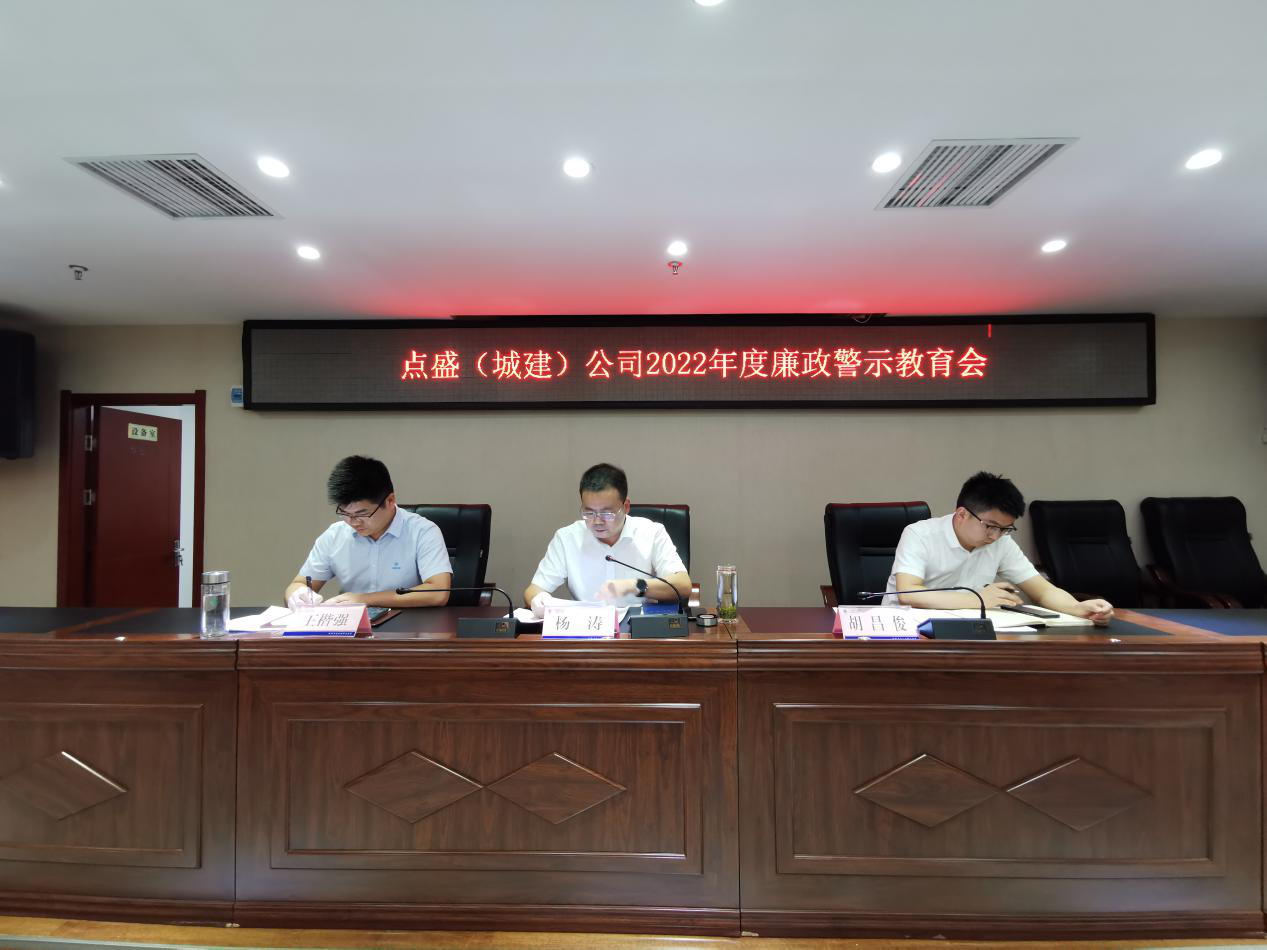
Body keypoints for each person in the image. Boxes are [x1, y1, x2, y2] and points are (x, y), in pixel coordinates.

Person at [886, 471, 1114, 624]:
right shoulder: (920, 534)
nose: (996, 536)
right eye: (990, 526)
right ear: (962, 514)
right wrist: (978, 600)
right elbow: (908, 593)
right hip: (907, 629)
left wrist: (1077, 608)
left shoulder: (1002, 542)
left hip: (969, 630)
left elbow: (1043, 591)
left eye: (1005, 528)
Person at [283, 456, 452, 609]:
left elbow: (438, 592)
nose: (353, 522)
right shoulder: (334, 535)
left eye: (362, 514)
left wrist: (363, 599)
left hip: (408, 625)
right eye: (345, 513)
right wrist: (297, 594)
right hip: (351, 628)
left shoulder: (422, 532)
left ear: (390, 500)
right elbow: (299, 583)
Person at [524, 462, 691, 610]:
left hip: (637, 628)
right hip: (586, 628)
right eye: (589, 512)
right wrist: (539, 600)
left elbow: (683, 585)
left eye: (607, 513)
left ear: (626, 507)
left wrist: (634, 586)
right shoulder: (567, 538)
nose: (597, 521)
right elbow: (533, 591)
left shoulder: (651, 533)